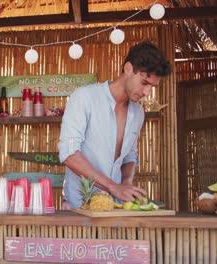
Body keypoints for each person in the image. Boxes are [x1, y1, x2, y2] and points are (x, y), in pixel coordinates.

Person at [58, 41, 172, 209]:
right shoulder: (84, 98)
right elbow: (69, 154)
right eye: (144, 83)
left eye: (152, 87)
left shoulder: (138, 113)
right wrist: (113, 186)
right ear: (127, 69)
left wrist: (126, 183)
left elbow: (130, 156)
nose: (147, 92)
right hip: (80, 207)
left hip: (117, 207)